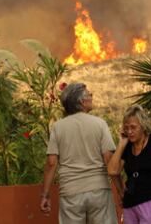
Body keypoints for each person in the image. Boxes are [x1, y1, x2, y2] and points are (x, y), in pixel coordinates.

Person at [40, 83, 118, 224]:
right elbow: (108, 159)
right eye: (89, 95)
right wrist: (120, 189)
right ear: (82, 102)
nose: (92, 97)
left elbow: (51, 163)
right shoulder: (100, 124)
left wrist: (45, 195)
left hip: (70, 193)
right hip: (99, 190)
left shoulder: (58, 127)